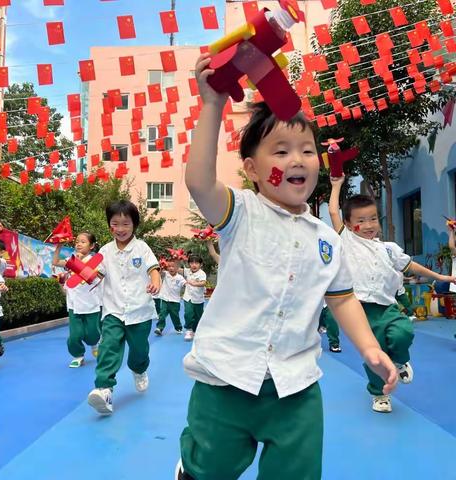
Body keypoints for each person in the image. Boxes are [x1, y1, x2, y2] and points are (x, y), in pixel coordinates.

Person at [175, 53, 398, 480]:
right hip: (226, 379)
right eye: (281, 150)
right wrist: (211, 105)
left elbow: (343, 298)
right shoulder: (239, 213)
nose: (298, 159)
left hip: (295, 386)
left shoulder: (327, 240)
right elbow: (199, 181)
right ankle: (193, 467)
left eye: (307, 150)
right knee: (211, 468)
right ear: (252, 170)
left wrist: (369, 348)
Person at [329, 175, 456, 413]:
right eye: (361, 220)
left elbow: (411, 267)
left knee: (404, 332)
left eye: (373, 219)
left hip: (387, 307)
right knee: (375, 354)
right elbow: (333, 211)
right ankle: (379, 395)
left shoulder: (388, 249)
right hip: (361, 311)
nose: (369, 225)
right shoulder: (346, 240)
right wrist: (336, 185)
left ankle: (399, 361)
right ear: (348, 224)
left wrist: (442, 277)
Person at [87, 200, 161, 415]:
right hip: (113, 310)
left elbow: (153, 269)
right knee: (108, 348)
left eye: (125, 224)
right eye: (115, 224)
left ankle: (139, 370)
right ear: (109, 225)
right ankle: (104, 389)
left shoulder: (142, 247)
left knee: (139, 351)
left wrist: (156, 282)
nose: (120, 229)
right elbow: (97, 275)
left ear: (134, 225)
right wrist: (84, 276)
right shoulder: (104, 251)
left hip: (139, 310)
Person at [52, 232, 102, 368]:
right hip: (74, 304)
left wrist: (77, 264)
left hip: (92, 304)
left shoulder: (96, 261)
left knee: (92, 334)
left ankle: (94, 344)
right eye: (77, 242)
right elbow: (55, 262)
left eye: (83, 242)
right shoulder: (71, 259)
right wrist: (58, 247)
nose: (78, 244)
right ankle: (78, 355)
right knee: (75, 335)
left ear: (91, 246)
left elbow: (93, 278)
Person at [154, 259, 186, 336]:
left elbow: (185, 284)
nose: (171, 268)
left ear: (178, 268)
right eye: (169, 266)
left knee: (175, 316)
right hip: (164, 299)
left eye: (173, 266)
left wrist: (188, 285)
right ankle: (159, 328)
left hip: (175, 301)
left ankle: (178, 327)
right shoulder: (165, 274)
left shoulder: (180, 278)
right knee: (162, 315)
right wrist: (161, 265)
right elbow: (159, 272)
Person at [182, 255, 207, 341]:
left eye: (196, 263)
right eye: (191, 263)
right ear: (189, 264)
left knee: (198, 316)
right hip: (188, 297)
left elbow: (203, 283)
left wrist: (194, 283)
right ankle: (189, 330)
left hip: (198, 299)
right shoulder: (187, 271)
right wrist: (177, 258)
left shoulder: (202, 273)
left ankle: (196, 331)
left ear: (201, 265)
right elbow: (177, 269)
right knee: (188, 314)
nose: (194, 265)